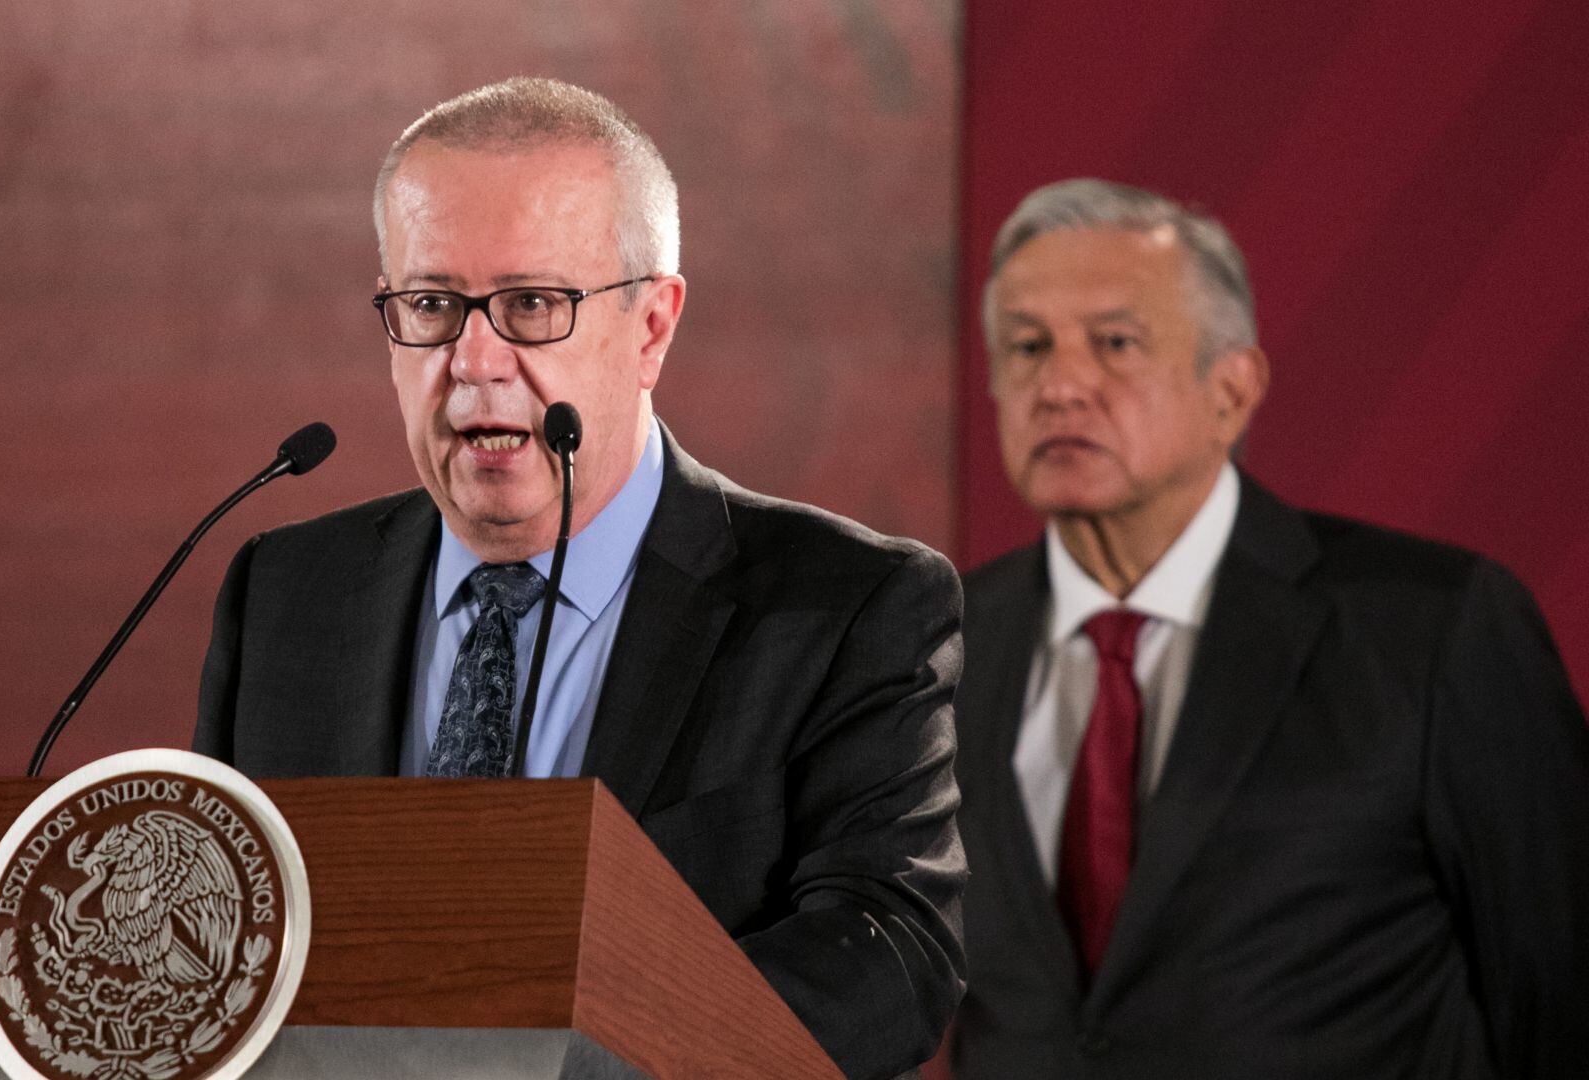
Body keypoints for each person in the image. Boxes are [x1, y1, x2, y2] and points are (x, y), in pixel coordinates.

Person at [193, 77, 966, 1079]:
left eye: (530, 305)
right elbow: (219, 929)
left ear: (651, 327)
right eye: (431, 304)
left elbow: (891, 956)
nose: (474, 360)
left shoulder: (846, 607)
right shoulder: (286, 592)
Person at [950, 177, 1589, 1079]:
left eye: (1115, 343)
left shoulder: (1434, 631)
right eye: (1026, 347)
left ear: (1233, 390)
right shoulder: (939, 645)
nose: (1060, 385)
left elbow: (1560, 996)